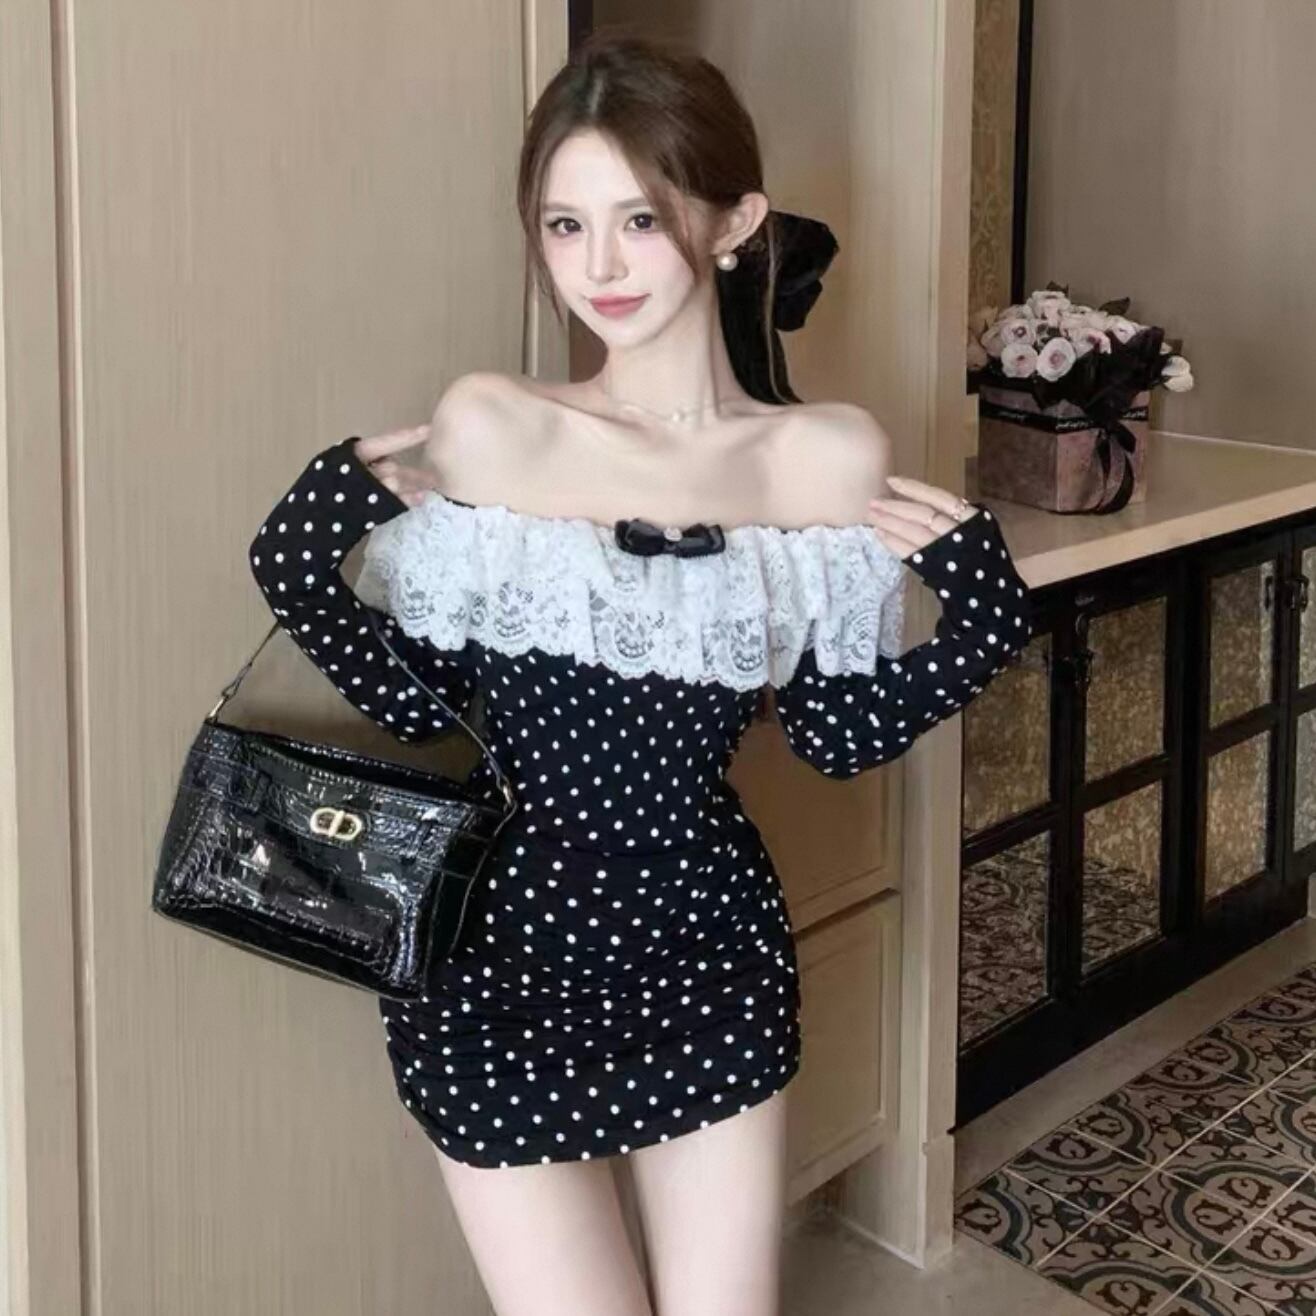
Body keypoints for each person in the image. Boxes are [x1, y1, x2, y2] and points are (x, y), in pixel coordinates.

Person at [246, 29, 1032, 1316]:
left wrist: (980, 622)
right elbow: (411, 704)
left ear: (733, 225)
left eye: (639, 221)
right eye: (564, 225)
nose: (597, 267)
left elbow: (831, 734)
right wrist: (297, 549)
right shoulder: (497, 425)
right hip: (494, 956)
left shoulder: (820, 458)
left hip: (704, 949)